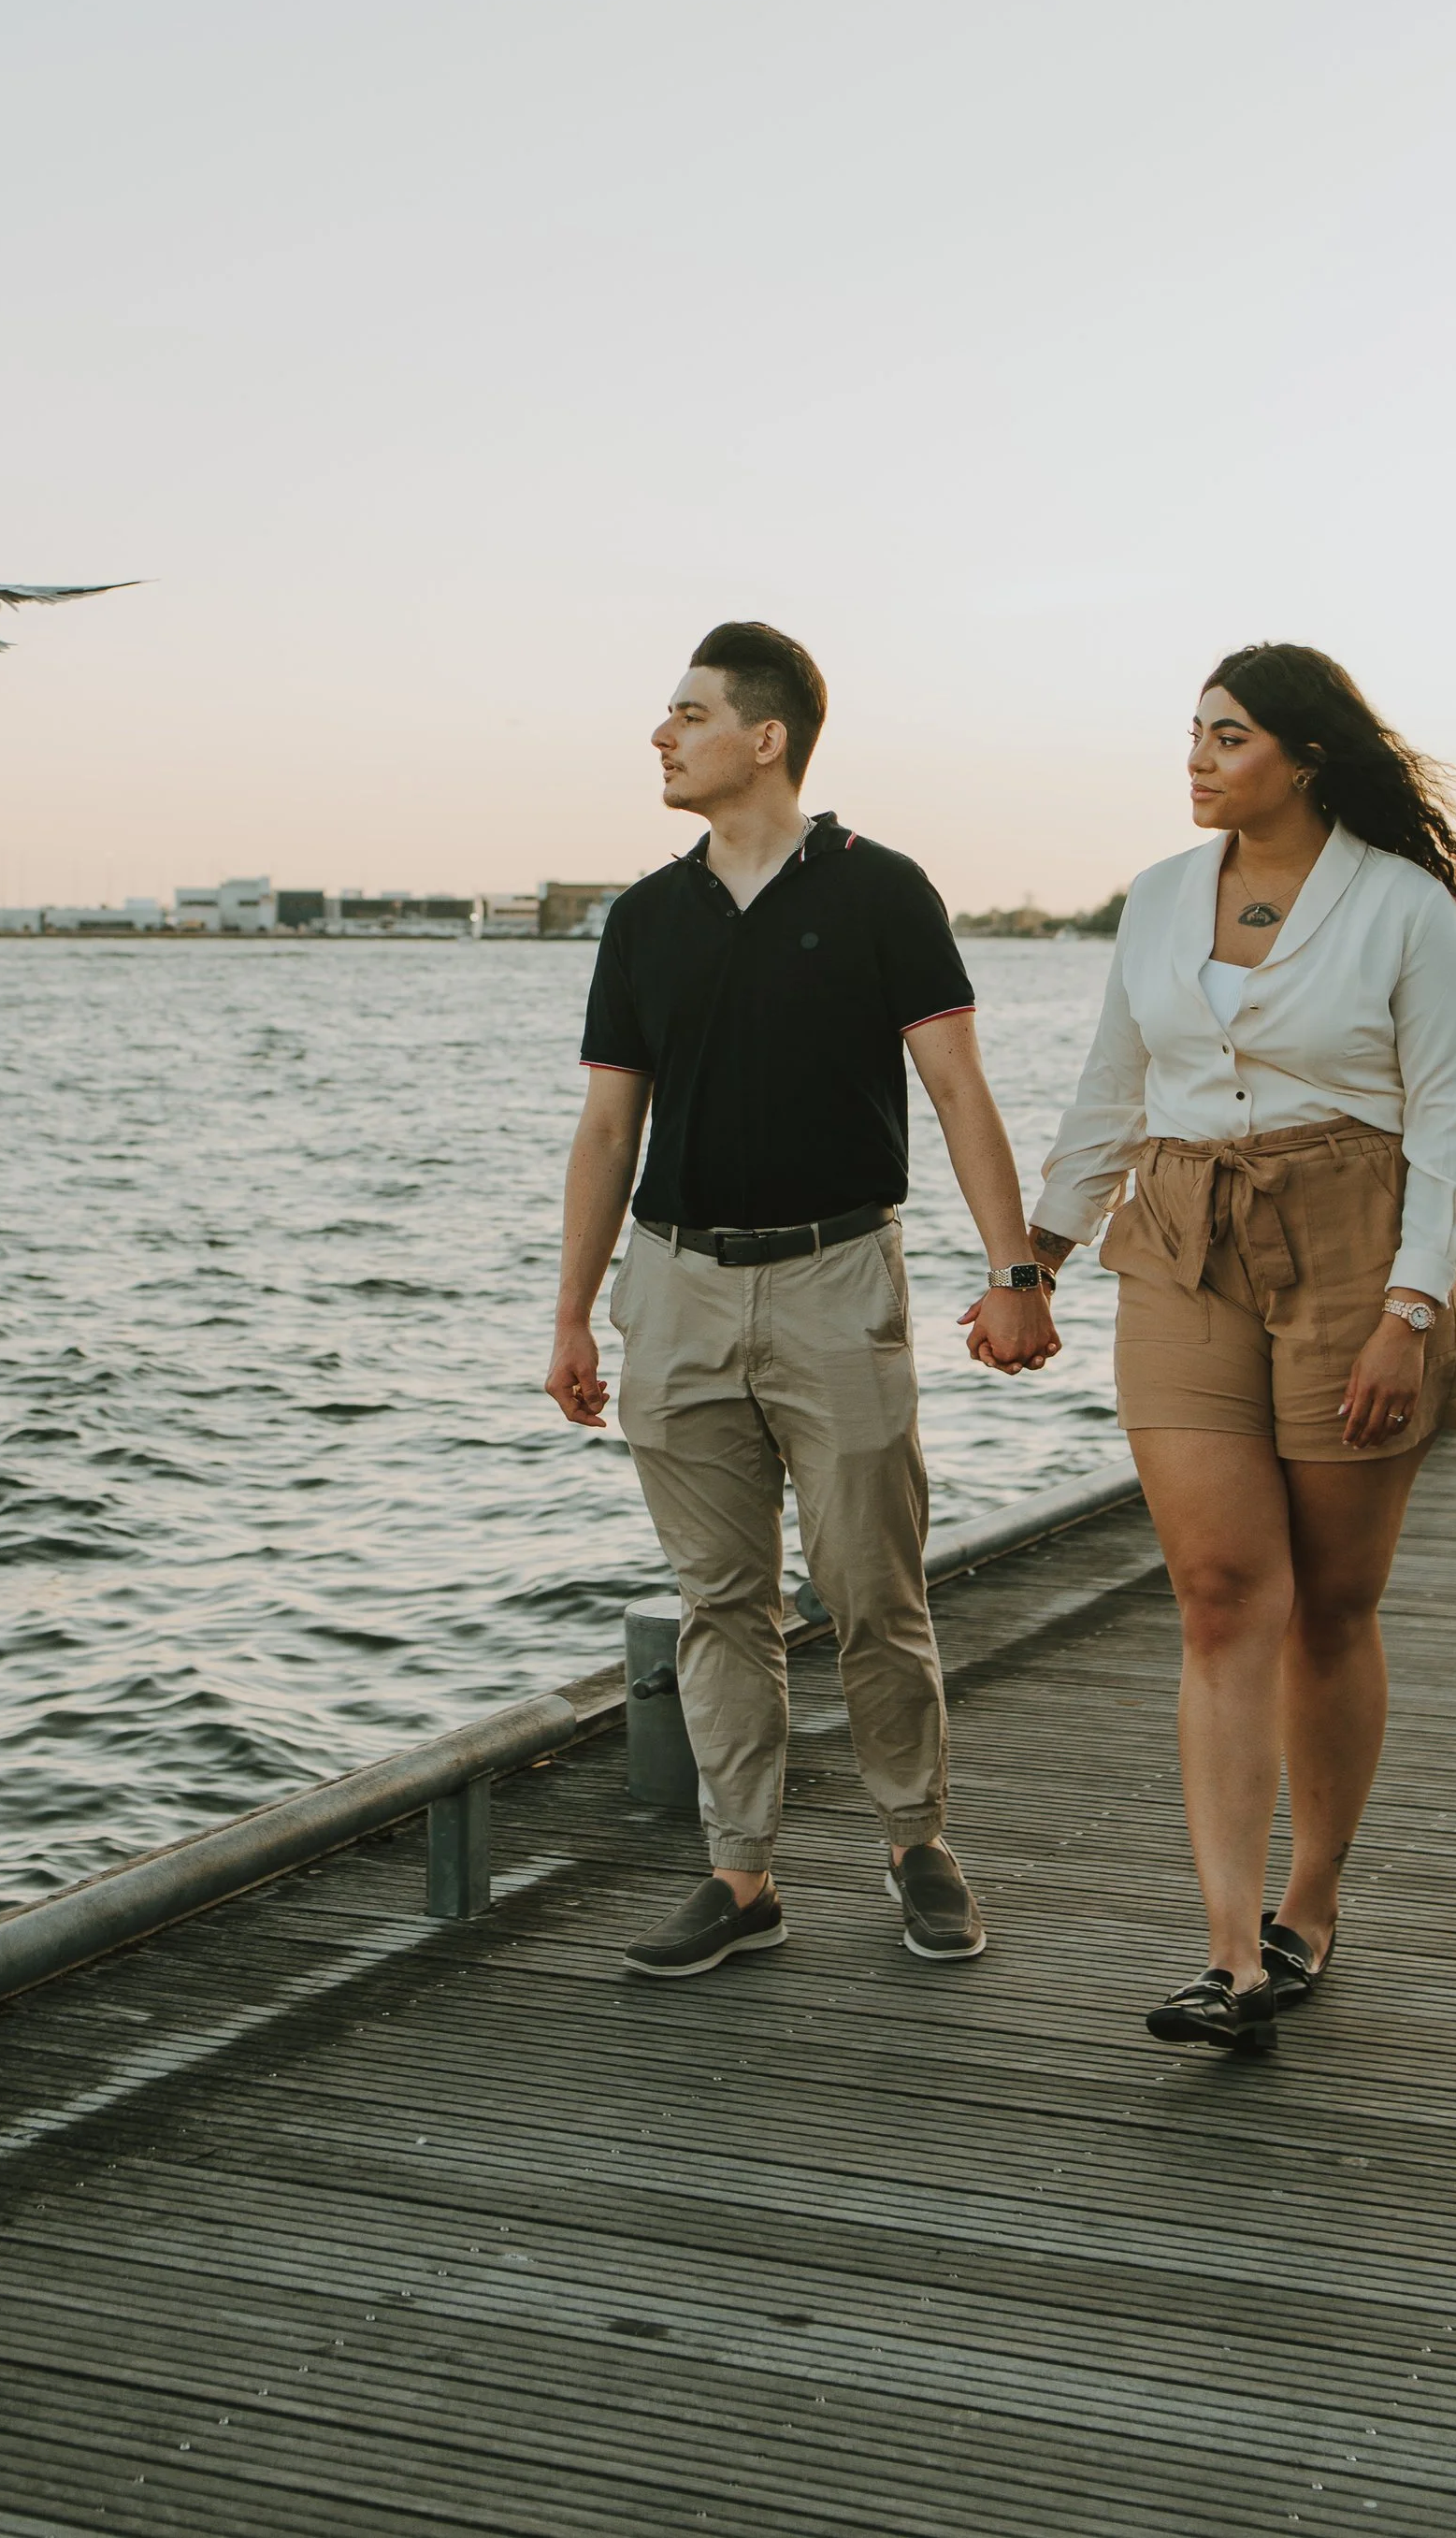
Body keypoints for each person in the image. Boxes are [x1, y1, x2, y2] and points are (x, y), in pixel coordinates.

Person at [545, 622, 1060, 1979]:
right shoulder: (646, 916)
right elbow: (607, 1133)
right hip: (676, 1286)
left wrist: (1017, 1275)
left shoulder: (881, 890)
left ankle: (915, 1844)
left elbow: (957, 1092)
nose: (661, 735)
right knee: (718, 1600)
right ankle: (743, 1876)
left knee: (872, 1588)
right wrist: (572, 1318)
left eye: (688, 712)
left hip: (840, 1275)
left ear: (765, 740)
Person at [1027, 643, 1456, 2055]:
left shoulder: (1407, 909)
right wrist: (1033, 1257)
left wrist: (1411, 1313)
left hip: (1359, 1251)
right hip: (1179, 1241)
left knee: (1334, 1606)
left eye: (1226, 737)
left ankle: (1312, 1898)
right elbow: (1115, 1085)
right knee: (1226, 1593)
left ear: (1301, 755)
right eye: (1191, 733)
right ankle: (1232, 1957)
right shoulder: (1162, 899)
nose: (1196, 757)